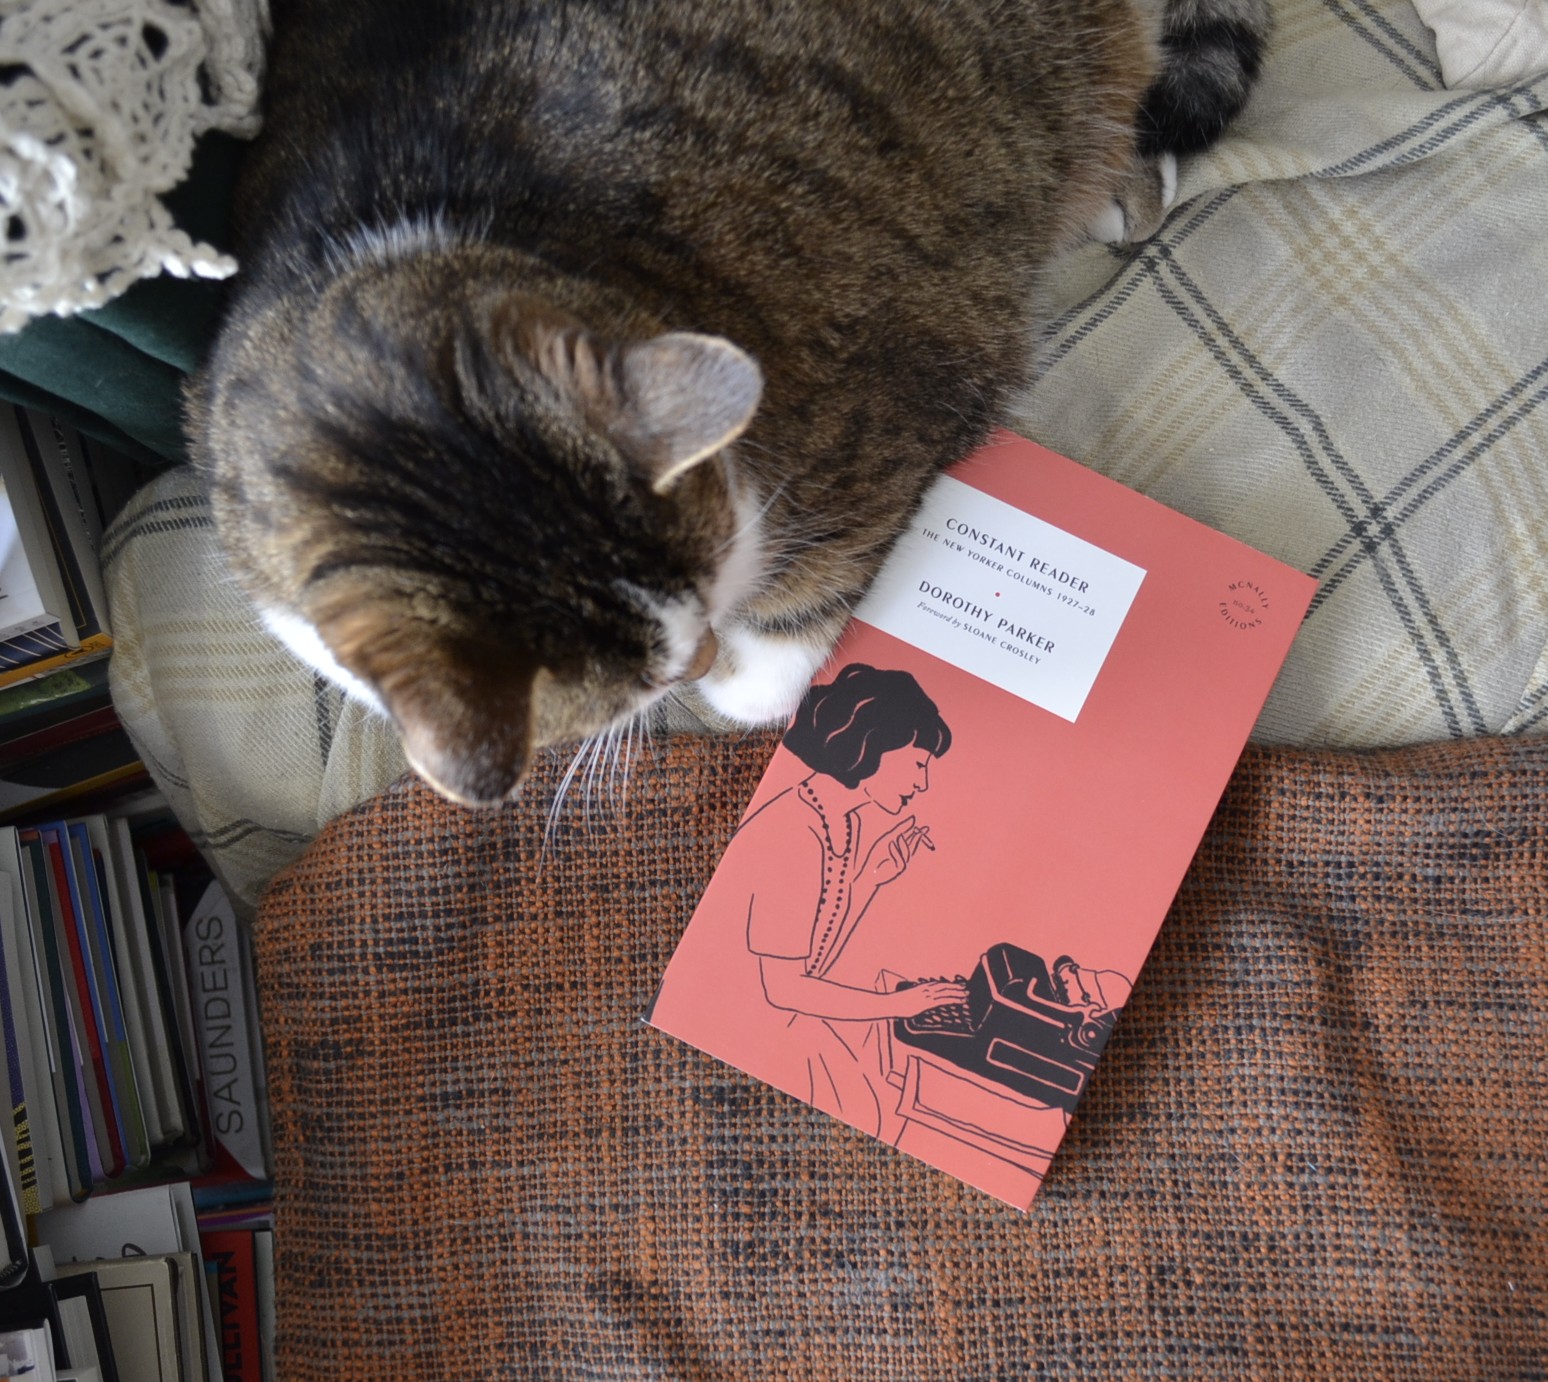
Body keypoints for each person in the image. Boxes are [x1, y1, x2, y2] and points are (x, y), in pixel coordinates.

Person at [729, 663, 968, 1138]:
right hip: (744, 1019)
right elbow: (784, 989)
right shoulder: (793, 830)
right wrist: (899, 1004)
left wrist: (871, 881)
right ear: (873, 745)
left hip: (789, 1018)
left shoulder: (844, 824)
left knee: (882, 1092)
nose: (922, 784)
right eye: (919, 764)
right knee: (873, 1103)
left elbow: (814, 957)